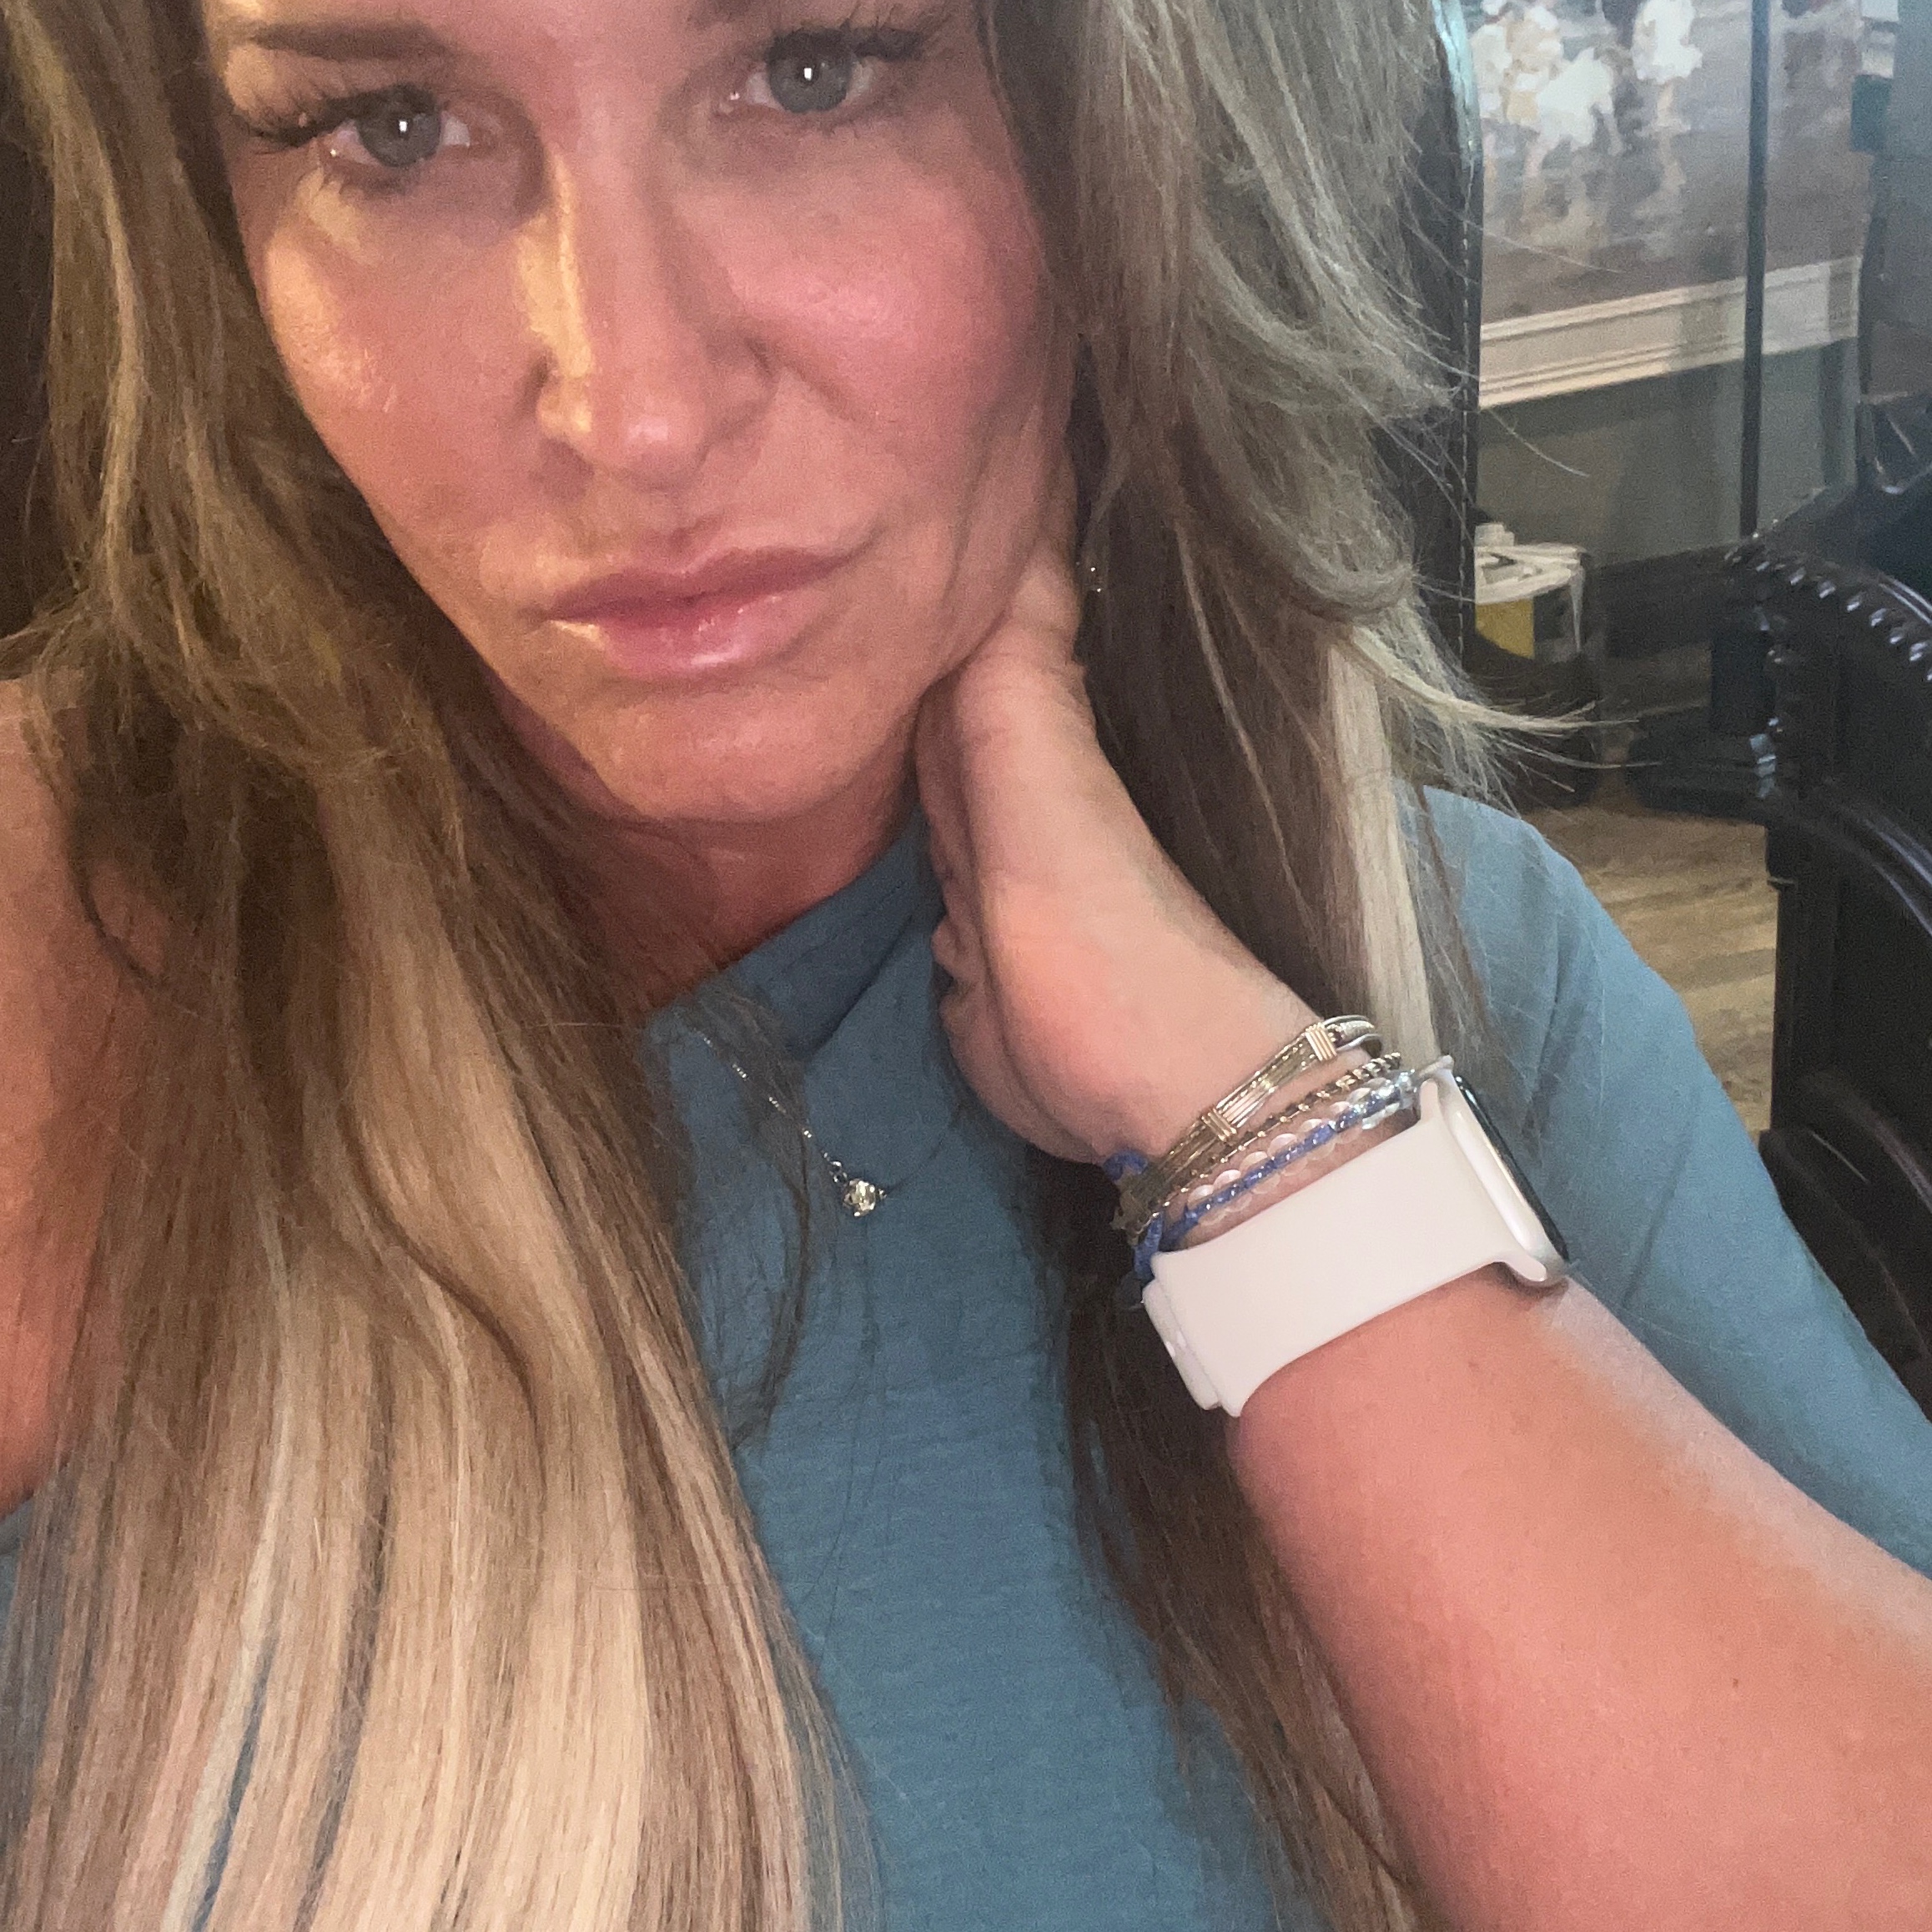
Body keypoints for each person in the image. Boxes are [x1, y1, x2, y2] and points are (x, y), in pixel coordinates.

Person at [0, 0, 1929, 1929]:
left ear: (1138, 164)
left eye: (817, 69)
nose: (634, 408)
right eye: (393, 127)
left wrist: (1241, 1117)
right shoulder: (61, 1004)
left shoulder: (1451, 971)